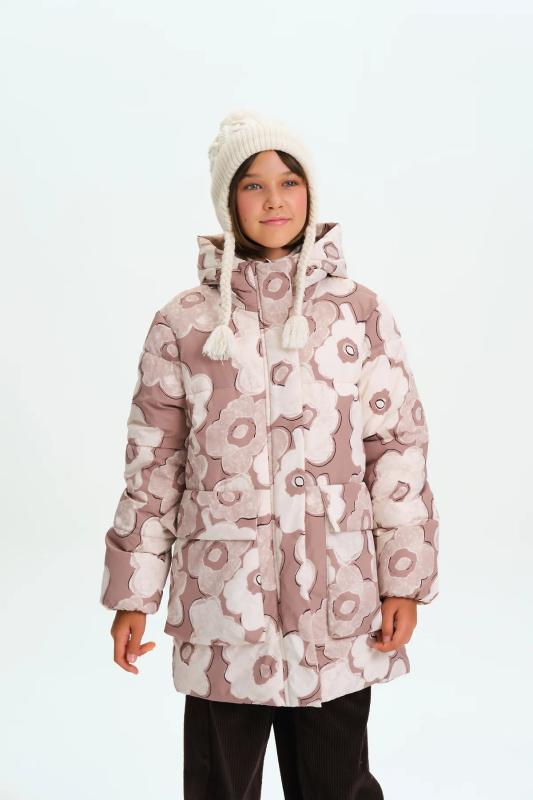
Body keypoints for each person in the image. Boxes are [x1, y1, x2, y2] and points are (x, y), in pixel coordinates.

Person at [99, 109, 440, 799]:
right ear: (228, 201)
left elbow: (395, 450)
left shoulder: (359, 314)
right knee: (220, 787)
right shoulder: (183, 324)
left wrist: (403, 580)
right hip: (224, 607)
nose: (275, 199)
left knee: (336, 783)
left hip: (335, 602)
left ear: (310, 192)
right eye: (253, 185)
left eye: (289, 181)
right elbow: (154, 467)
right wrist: (134, 595)